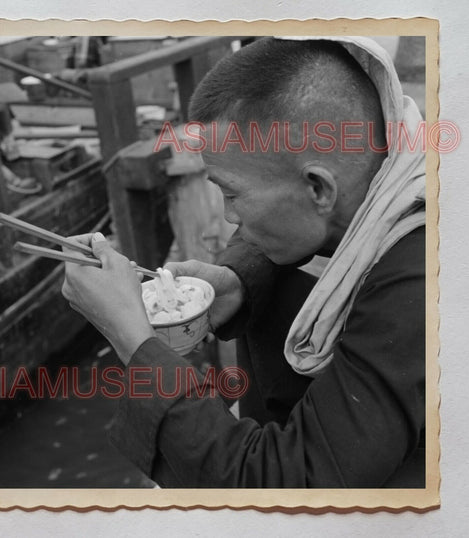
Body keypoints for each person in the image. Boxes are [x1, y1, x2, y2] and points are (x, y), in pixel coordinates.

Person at [62, 37, 425, 487]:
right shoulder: (386, 173)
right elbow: (288, 227)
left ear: (318, 188)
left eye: (232, 194)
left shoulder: (420, 283)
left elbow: (292, 486)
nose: (229, 216)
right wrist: (236, 279)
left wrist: (133, 341)